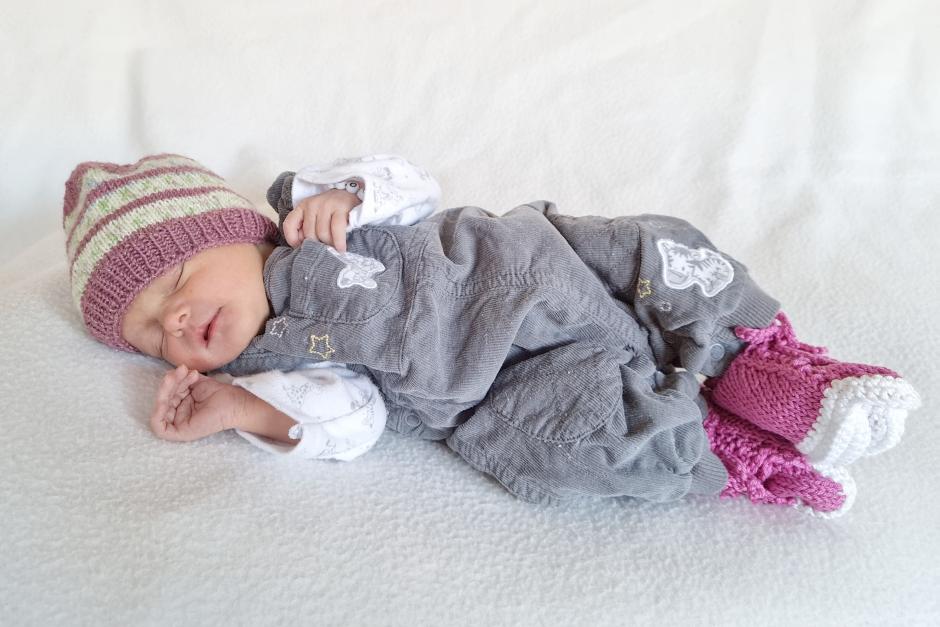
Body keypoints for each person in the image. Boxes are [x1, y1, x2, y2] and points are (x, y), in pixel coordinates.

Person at [62, 153, 921, 517]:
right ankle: (730, 450)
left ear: (231, 229)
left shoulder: (310, 214)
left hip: (534, 266)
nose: (175, 318)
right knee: (571, 446)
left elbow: (413, 183)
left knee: (650, 250)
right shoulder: (273, 366)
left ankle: (767, 365)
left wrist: (352, 194)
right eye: (152, 332)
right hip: (502, 387)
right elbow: (353, 422)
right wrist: (243, 411)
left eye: (177, 280)